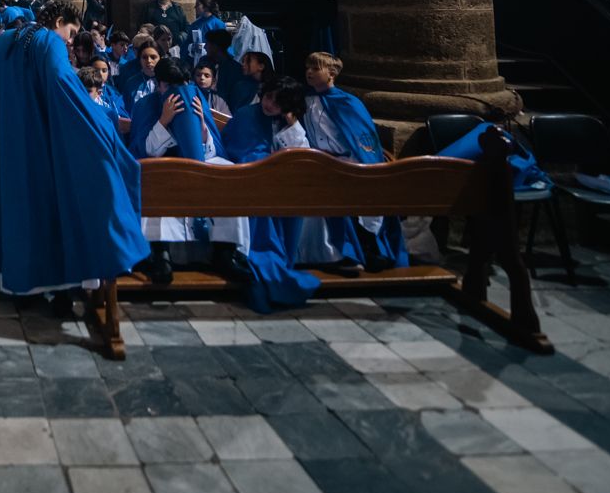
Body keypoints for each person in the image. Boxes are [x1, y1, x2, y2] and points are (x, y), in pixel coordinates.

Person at [0, 2, 150, 296]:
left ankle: (15, 281)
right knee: (41, 207)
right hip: (36, 140)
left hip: (6, 138)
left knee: (15, 206)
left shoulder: (4, 41)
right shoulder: (49, 41)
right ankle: (48, 283)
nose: (71, 40)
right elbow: (64, 87)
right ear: (60, 21)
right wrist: (101, 122)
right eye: (72, 32)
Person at [130, 58, 250, 285]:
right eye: (169, 86)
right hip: (161, 164)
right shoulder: (146, 105)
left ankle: (225, 252)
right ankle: (160, 254)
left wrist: (202, 126)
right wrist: (164, 122)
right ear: (160, 85)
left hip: (197, 164)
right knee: (152, 180)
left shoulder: (197, 100)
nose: (176, 92)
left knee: (228, 174)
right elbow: (144, 149)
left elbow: (211, 148)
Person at [220, 77, 322, 311]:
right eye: (267, 97)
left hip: (281, 183)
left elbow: (300, 153)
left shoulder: (287, 122)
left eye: (277, 102)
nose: (269, 104)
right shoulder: (247, 114)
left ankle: (284, 260)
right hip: (248, 181)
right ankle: (266, 261)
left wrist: (290, 125)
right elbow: (241, 150)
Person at [302, 52, 407, 271]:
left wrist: (350, 164)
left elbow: (362, 142)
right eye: (307, 68)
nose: (309, 72)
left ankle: (370, 247)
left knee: (364, 196)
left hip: (348, 164)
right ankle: (338, 252)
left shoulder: (348, 103)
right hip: (318, 164)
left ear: (331, 74)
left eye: (315, 68)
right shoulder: (307, 101)